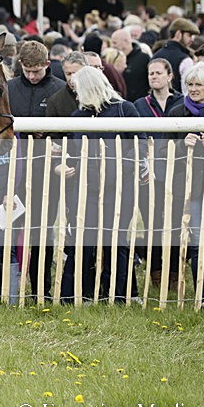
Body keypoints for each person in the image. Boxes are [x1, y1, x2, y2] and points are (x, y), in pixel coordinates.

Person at [56, 66, 145, 303]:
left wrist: (115, 169)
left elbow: (140, 146)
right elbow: (71, 151)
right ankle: (74, 292)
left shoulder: (124, 109)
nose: (76, 96)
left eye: (77, 90)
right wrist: (64, 163)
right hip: (85, 187)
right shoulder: (77, 117)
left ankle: (120, 293)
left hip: (119, 188)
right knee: (82, 240)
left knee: (116, 239)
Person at [8, 40, 66, 299]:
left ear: (47, 65)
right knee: (8, 225)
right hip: (12, 171)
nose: (31, 76)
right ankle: (7, 283)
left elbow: (69, 131)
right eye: (27, 71)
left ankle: (41, 286)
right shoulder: (9, 89)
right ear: (20, 65)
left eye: (37, 71)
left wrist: (50, 136)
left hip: (47, 172)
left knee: (43, 228)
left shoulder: (60, 90)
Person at [166, 62, 204, 309]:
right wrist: (182, 145)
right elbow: (165, 151)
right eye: (189, 84)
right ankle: (199, 294)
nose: (193, 88)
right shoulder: (177, 113)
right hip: (191, 186)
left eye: (198, 84)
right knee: (197, 239)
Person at [133, 57, 183, 289]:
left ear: (170, 76)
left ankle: (173, 270)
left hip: (177, 170)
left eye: (158, 73)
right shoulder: (140, 105)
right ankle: (155, 269)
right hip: (149, 172)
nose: (153, 76)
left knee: (173, 222)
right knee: (151, 220)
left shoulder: (182, 103)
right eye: (150, 73)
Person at [152, 17, 198, 93]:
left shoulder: (156, 55)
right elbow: (187, 91)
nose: (192, 39)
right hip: (179, 103)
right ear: (178, 34)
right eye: (189, 35)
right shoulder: (185, 60)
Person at [111, 28, 150, 102]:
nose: (112, 46)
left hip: (139, 104)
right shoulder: (112, 58)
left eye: (115, 43)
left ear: (126, 41)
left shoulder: (144, 58)